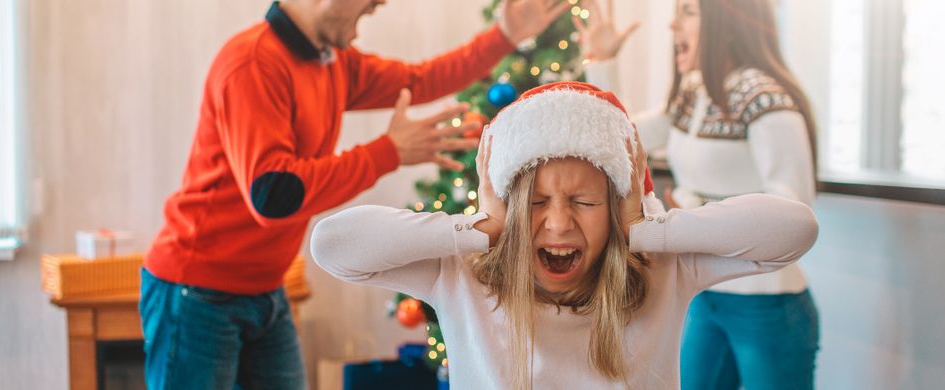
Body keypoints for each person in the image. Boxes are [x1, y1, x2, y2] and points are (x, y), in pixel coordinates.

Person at [139, 0, 571, 388]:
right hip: (197, 291)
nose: (380, 2)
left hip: (264, 289)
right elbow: (273, 194)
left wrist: (504, 36)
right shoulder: (253, 64)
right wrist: (388, 152)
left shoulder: (332, 63)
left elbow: (419, 80)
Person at [311, 81, 819, 389]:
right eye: (534, 204)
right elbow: (333, 245)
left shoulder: (663, 266)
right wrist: (482, 228)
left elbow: (794, 229)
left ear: (616, 203)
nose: (557, 224)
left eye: (584, 202)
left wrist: (642, 230)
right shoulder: (463, 272)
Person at [577, 0, 821, 388]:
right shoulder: (693, 94)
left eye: (689, 10)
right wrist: (603, 61)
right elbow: (617, 137)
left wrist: (693, 209)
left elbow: (796, 211)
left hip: (766, 303)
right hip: (706, 296)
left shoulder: (764, 98)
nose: (674, 24)